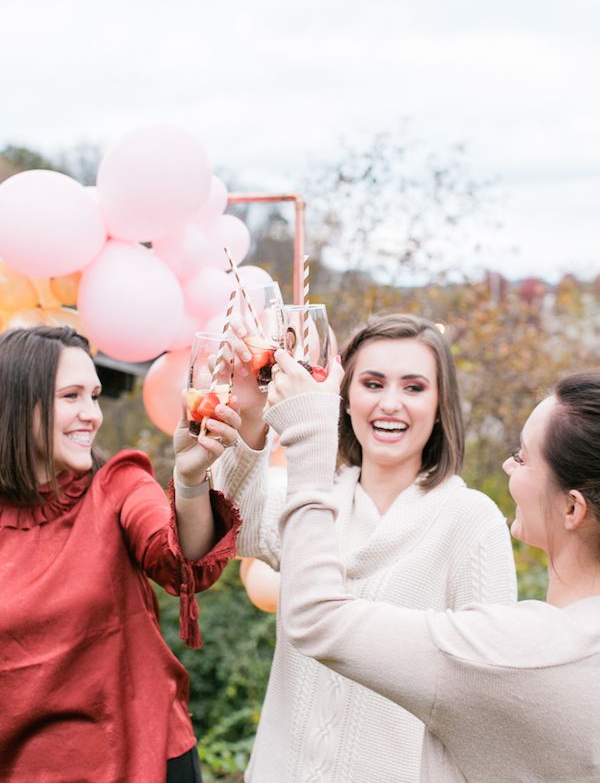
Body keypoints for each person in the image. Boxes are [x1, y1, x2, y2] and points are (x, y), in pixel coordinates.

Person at [213, 314, 517, 782]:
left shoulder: (471, 521)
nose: (390, 403)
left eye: (414, 388)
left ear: (440, 405)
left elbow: (490, 699)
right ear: (345, 398)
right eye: (372, 383)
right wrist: (251, 416)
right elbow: (235, 526)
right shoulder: (313, 495)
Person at [268, 354, 600, 782]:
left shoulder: (508, 653)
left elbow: (315, 617)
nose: (507, 466)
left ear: (572, 507)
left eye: (521, 457)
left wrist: (309, 435)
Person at [0, 325, 242, 783]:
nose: (92, 414)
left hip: (141, 758)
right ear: (15, 404)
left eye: (94, 396)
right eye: (71, 396)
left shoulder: (118, 484)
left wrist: (190, 480)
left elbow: (180, 561)